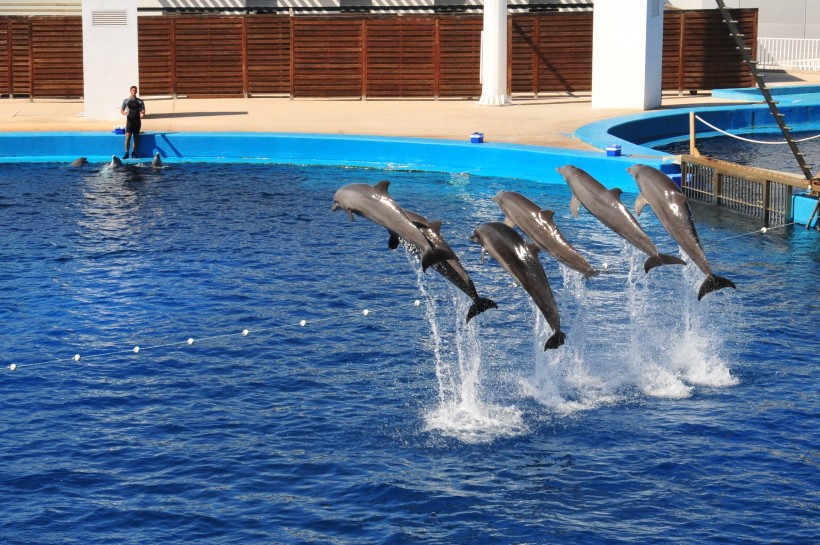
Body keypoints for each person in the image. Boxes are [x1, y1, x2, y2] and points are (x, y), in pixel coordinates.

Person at [120, 85, 145, 159]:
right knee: (128, 137)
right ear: (130, 91)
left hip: (137, 121)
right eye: (132, 90)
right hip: (129, 121)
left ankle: (134, 152)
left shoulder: (140, 101)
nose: (133, 91)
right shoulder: (126, 100)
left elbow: (143, 110)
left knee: (136, 137)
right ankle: (126, 152)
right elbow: (122, 110)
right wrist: (123, 112)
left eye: (135, 90)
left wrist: (142, 113)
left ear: (136, 91)